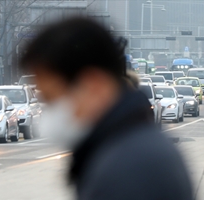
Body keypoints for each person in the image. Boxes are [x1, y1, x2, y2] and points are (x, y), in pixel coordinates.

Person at [20, 17, 192, 200]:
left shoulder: (129, 166)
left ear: (94, 85)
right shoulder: (129, 144)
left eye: (52, 98)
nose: (50, 111)